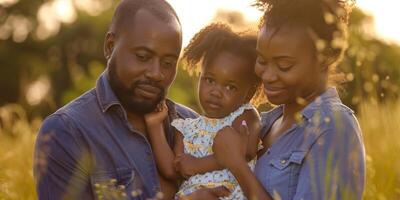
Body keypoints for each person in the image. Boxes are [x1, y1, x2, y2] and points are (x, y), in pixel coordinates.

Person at [189, 0, 366, 199]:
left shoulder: (332, 128)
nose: (267, 76)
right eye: (262, 61)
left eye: (284, 65)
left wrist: (237, 165)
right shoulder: (264, 123)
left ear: (325, 57)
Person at [33, 0, 198, 199]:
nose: (156, 73)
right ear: (110, 46)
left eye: (168, 63)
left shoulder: (193, 126)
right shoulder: (67, 132)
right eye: (143, 57)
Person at [143, 23, 266, 199]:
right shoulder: (187, 128)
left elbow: (245, 151)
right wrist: (155, 126)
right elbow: (173, 169)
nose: (216, 92)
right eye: (209, 80)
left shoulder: (245, 116)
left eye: (230, 87)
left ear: (248, 94)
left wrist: (198, 164)